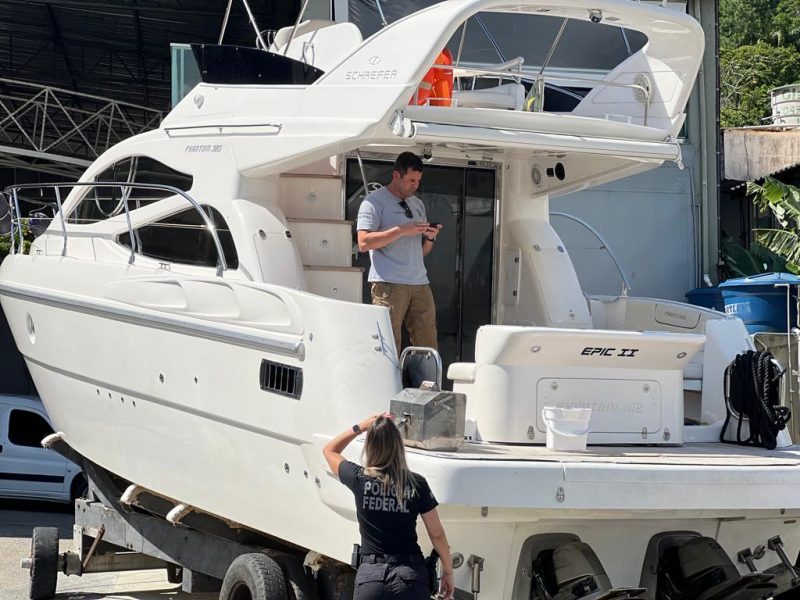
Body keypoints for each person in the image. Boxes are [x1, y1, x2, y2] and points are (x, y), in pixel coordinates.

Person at [323, 413, 455, 600]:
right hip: (409, 578)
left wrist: (362, 426)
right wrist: (448, 572)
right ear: (398, 446)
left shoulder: (359, 479)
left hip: (371, 580)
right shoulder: (416, 483)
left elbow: (329, 450)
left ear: (370, 446)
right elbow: (436, 534)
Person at [356, 152, 441, 356]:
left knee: (428, 344)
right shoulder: (374, 202)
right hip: (389, 283)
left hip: (419, 282)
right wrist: (402, 230)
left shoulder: (417, 204)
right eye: (411, 180)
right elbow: (363, 243)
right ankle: (387, 387)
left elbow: (421, 253)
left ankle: (425, 385)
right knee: (388, 345)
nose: (415, 185)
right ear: (396, 175)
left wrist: (431, 237)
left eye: (418, 181)